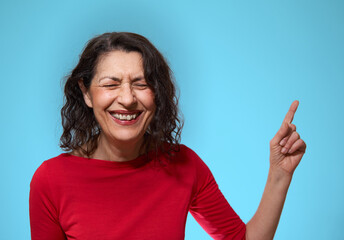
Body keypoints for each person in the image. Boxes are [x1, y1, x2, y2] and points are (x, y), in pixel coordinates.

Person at [29, 32, 307, 240]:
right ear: (87, 92)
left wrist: (279, 174)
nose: (127, 99)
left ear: (157, 94)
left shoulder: (184, 164)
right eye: (111, 84)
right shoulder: (51, 180)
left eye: (141, 84)